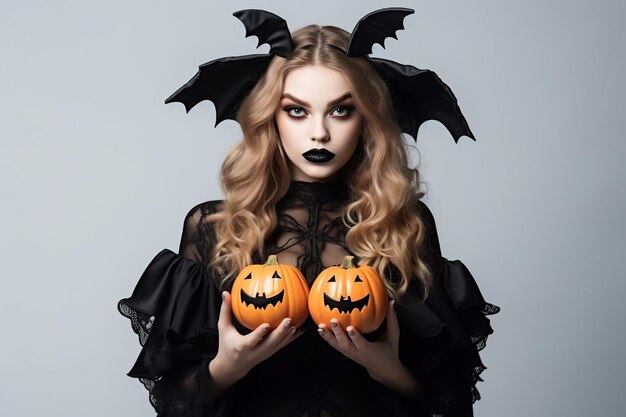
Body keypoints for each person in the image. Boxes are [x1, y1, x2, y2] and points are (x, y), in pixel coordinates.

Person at [118, 8, 499, 417]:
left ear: (367, 119)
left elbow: (448, 401)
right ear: (271, 117)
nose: (319, 132)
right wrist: (230, 364)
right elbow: (176, 402)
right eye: (297, 110)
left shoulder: (404, 225)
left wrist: (386, 366)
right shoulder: (213, 228)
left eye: (341, 110)